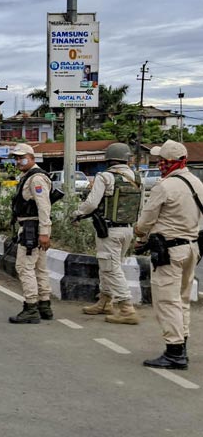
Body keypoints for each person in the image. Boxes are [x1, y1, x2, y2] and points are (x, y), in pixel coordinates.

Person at [133, 140, 202, 370]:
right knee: (181, 300)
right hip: (192, 247)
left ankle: (174, 352)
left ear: (172, 162)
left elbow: (146, 220)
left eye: (162, 160)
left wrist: (140, 236)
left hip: (169, 251)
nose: (159, 164)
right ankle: (181, 345)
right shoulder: (197, 183)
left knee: (166, 300)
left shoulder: (164, 186)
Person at [72, 142, 141, 324]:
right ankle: (104, 301)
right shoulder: (137, 177)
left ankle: (126, 309)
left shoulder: (105, 177)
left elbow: (92, 203)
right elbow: (140, 207)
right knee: (109, 266)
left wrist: (77, 213)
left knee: (111, 269)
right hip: (128, 230)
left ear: (109, 159)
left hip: (109, 230)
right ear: (126, 159)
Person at [8, 144, 54, 324]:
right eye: (16, 158)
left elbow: (44, 207)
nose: (18, 161)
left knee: (24, 267)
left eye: (22, 157)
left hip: (31, 228)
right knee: (39, 268)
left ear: (32, 157)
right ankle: (45, 305)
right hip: (33, 227)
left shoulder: (36, 178)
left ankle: (31, 307)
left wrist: (44, 233)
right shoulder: (29, 176)